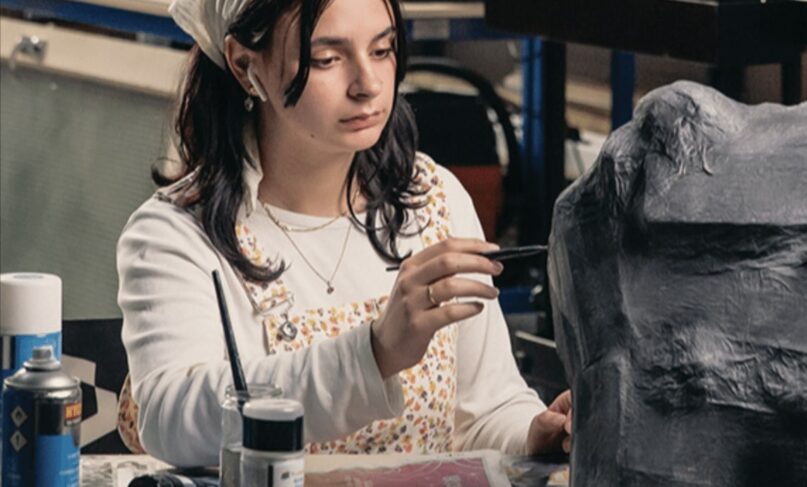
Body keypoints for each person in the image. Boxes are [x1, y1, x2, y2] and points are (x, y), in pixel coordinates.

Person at [116, 0, 571, 467]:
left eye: (382, 49)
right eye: (326, 59)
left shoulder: (433, 201)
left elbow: (483, 410)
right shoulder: (176, 234)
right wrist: (373, 353)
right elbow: (170, 418)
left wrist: (533, 432)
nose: (368, 85)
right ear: (244, 65)